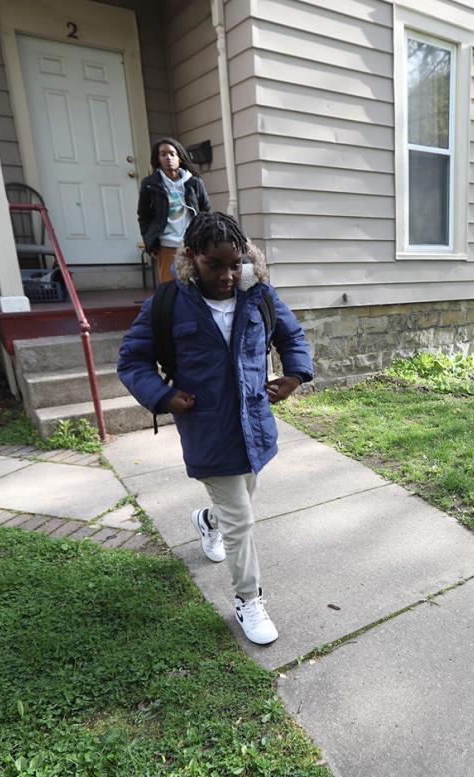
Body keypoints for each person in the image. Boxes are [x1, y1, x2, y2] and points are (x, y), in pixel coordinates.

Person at [117, 211, 314, 645]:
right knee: (242, 521)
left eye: (235, 264)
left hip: (255, 425)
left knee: (240, 501)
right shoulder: (169, 304)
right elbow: (131, 361)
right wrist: (163, 396)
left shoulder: (258, 294)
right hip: (206, 426)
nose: (227, 276)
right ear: (192, 257)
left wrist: (294, 376)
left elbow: (292, 337)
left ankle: (208, 522)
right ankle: (249, 599)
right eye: (215, 265)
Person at [138, 138, 211, 284]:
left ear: (180, 157)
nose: (168, 158)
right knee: (169, 287)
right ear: (158, 159)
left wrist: (203, 239)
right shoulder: (150, 184)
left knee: (196, 284)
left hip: (192, 244)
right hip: (166, 245)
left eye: (172, 154)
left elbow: (205, 211)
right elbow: (144, 216)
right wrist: (150, 243)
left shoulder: (194, 182)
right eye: (163, 154)